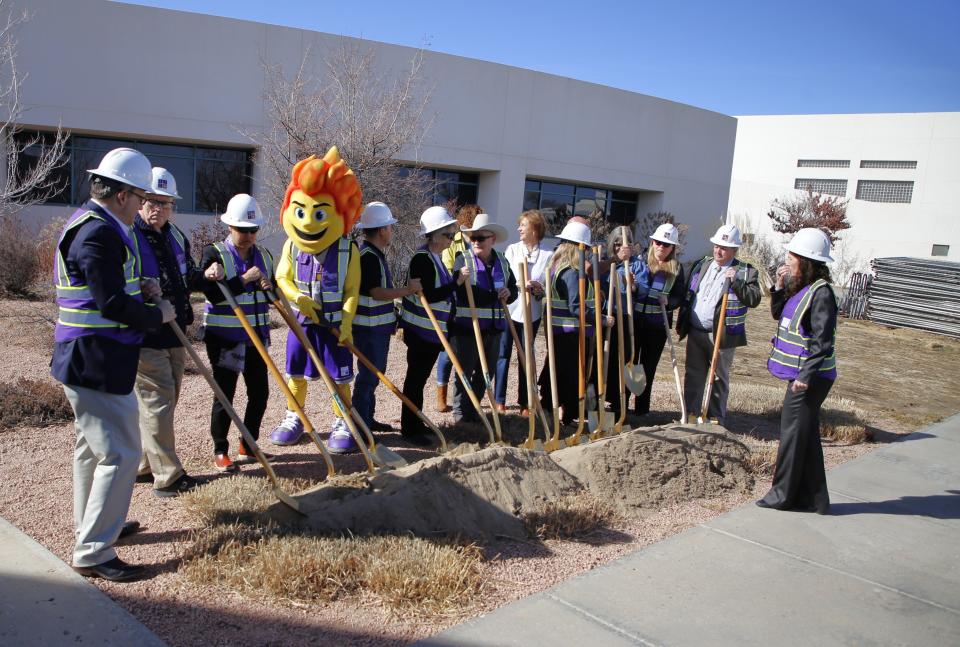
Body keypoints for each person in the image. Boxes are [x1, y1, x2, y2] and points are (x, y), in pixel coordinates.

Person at [52, 147, 176, 582]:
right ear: (122, 194)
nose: (144, 202)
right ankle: (93, 549)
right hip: (96, 357)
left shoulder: (98, 225)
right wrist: (156, 313)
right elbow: (108, 303)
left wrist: (138, 285)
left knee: (92, 450)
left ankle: (97, 526)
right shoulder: (99, 233)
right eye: (139, 194)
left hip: (92, 356)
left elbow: (105, 285)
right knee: (121, 454)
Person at [265, 150, 363, 454]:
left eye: (319, 213)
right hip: (301, 323)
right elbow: (282, 278)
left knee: (340, 376)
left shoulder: (349, 251)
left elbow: (352, 291)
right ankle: (295, 415)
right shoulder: (291, 246)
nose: (307, 222)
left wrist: (347, 322)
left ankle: (342, 419)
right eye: (300, 211)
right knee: (296, 372)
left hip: (334, 325)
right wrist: (298, 298)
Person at [132, 168, 206, 497]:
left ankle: (145, 464)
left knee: (166, 400)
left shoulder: (176, 235)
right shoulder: (127, 237)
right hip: (145, 335)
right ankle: (168, 476)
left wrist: (209, 275)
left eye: (165, 203)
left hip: (175, 332)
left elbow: (187, 275)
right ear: (137, 201)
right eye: (151, 201)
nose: (157, 209)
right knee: (157, 403)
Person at [757, 228, 838, 514]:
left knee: (791, 433)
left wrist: (805, 377)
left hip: (812, 379)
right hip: (804, 376)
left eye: (792, 257)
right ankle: (815, 499)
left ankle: (782, 495)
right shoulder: (800, 287)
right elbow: (780, 313)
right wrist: (778, 286)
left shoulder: (822, 294)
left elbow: (822, 343)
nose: (787, 261)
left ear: (807, 261)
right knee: (805, 435)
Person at [199, 194, 274, 473]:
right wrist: (244, 280)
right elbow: (212, 294)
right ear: (230, 226)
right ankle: (221, 450)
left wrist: (269, 287)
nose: (249, 235)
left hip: (257, 337)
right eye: (243, 229)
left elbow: (273, 294)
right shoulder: (214, 253)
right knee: (225, 394)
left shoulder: (265, 256)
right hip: (225, 339)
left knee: (260, 393)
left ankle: (248, 442)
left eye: (253, 230)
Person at [677, 223, 762, 425]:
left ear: (734, 249)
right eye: (716, 246)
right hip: (697, 331)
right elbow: (690, 293)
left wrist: (737, 283)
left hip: (722, 334)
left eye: (724, 247)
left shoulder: (746, 271)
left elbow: (754, 299)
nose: (718, 250)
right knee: (694, 375)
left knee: (718, 377)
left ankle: (715, 418)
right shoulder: (702, 264)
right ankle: (690, 414)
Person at [398, 206, 469, 444]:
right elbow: (429, 295)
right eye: (448, 234)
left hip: (431, 332)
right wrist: (457, 281)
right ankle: (410, 429)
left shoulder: (435, 257)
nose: (451, 238)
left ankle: (416, 423)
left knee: (419, 379)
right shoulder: (423, 259)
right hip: (420, 332)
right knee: (415, 380)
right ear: (435, 234)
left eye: (451, 234)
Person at [352, 202, 421, 431]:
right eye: (390, 227)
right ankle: (361, 424)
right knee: (368, 377)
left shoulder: (373, 254)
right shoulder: (368, 257)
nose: (392, 231)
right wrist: (407, 290)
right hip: (369, 329)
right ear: (382, 229)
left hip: (376, 328)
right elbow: (376, 292)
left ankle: (367, 419)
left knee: (373, 374)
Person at [537, 220, 613, 425]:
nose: (587, 253)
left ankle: (551, 409)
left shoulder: (555, 266)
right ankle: (567, 414)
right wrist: (602, 318)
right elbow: (576, 307)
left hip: (562, 331)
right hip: (571, 332)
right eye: (586, 249)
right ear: (579, 247)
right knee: (571, 375)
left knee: (558, 370)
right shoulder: (571, 271)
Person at [449, 213, 518, 424]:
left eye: (481, 238)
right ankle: (460, 414)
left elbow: (513, 287)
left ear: (492, 240)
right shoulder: (463, 259)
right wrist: (491, 296)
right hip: (467, 328)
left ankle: (474, 409)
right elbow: (459, 291)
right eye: (473, 238)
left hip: (494, 329)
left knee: (485, 374)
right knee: (464, 372)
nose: (476, 242)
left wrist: (509, 293)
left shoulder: (503, 261)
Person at [495, 210, 551, 416]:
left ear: (535, 229)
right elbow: (505, 276)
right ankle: (499, 398)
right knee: (503, 354)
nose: (519, 228)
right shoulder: (512, 250)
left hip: (531, 312)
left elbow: (547, 285)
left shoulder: (547, 255)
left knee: (526, 355)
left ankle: (525, 402)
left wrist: (539, 288)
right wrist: (518, 284)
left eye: (523, 225)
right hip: (510, 309)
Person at [630, 223, 686, 416]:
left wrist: (669, 301)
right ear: (652, 242)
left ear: (673, 248)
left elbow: (680, 295)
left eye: (666, 245)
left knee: (648, 367)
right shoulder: (639, 262)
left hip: (657, 326)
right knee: (631, 364)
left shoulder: (677, 269)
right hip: (635, 322)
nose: (661, 247)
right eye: (658, 242)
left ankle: (641, 409)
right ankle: (621, 405)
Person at [435, 204, 482, 412]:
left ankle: (465, 396)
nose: (473, 234)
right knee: (448, 351)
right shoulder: (452, 244)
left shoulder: (476, 245)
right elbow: (446, 272)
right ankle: (441, 396)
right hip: (453, 303)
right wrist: (459, 279)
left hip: (471, 305)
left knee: (467, 351)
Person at [602, 227, 649, 418]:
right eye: (617, 244)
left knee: (625, 360)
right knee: (603, 358)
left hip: (627, 318)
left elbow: (644, 291)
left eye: (625, 244)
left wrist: (633, 285)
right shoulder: (606, 263)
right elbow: (592, 275)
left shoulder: (637, 265)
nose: (621, 248)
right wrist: (615, 260)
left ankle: (619, 403)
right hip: (606, 317)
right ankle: (596, 401)